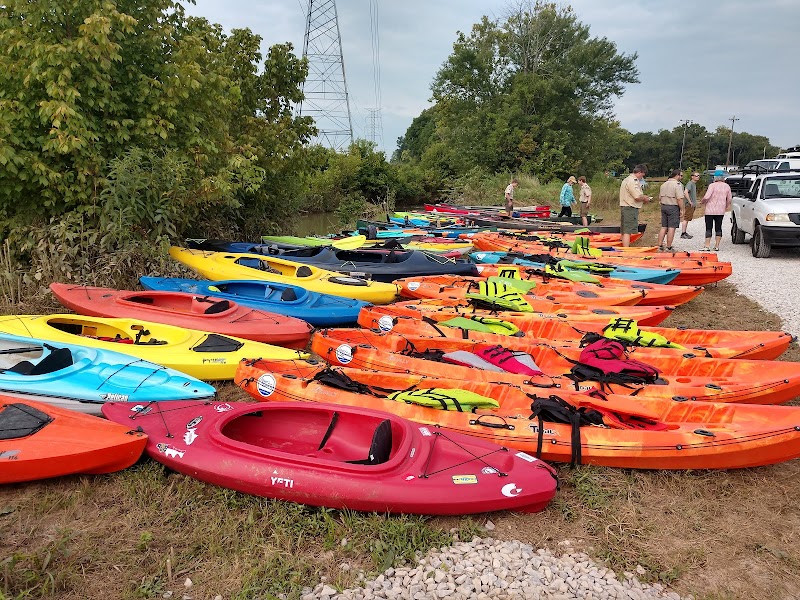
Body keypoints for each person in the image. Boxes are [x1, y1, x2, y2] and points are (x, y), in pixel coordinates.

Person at [619, 164, 653, 247]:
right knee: (628, 230)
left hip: (625, 206)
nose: (643, 176)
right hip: (630, 207)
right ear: (639, 172)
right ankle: (626, 249)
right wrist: (646, 198)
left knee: (624, 229)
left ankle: (622, 245)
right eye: (643, 174)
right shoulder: (633, 181)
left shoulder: (627, 179)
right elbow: (637, 197)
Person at [700, 170, 732, 251]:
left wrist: (702, 202)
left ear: (715, 177)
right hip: (720, 210)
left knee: (708, 227)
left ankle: (707, 246)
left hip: (710, 210)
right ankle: (717, 246)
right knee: (718, 227)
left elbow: (707, 196)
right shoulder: (727, 186)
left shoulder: (712, 185)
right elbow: (729, 199)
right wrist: (726, 206)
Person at [656, 168, 684, 251]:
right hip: (673, 207)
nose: (681, 177)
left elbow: (659, 197)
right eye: (681, 175)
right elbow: (679, 199)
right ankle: (668, 247)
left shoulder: (664, 184)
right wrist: (682, 209)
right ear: (677, 175)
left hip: (664, 206)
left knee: (664, 226)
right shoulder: (677, 185)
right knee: (672, 227)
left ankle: (659, 245)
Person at [681, 171, 700, 239]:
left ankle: (685, 232)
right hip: (689, 205)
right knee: (686, 218)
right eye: (696, 176)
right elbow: (685, 192)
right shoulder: (690, 183)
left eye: (698, 176)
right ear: (692, 176)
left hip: (692, 205)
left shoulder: (694, 184)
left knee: (688, 218)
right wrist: (690, 201)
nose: (697, 177)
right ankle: (683, 233)